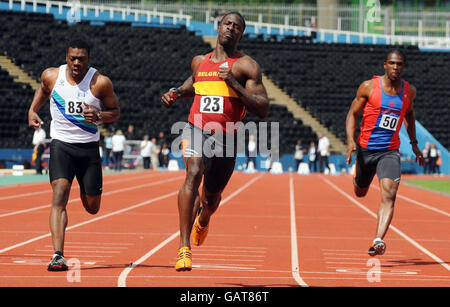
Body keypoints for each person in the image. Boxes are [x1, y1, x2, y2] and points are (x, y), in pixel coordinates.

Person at [161, 12, 269, 271]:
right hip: (196, 129)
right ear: (218, 27)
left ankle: (204, 218)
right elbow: (194, 84)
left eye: (237, 27)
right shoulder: (200, 61)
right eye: (227, 24)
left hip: (227, 137)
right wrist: (176, 92)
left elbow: (262, 108)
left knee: (211, 199)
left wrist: (234, 84)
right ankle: (183, 248)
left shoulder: (247, 66)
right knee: (193, 172)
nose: (231, 28)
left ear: (241, 34)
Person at [27, 39, 120, 271]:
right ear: (66, 57)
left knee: (92, 207)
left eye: (81, 59)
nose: (76, 63)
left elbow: (116, 111)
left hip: (88, 149)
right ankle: (58, 255)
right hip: (61, 146)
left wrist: (99, 116)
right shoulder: (51, 75)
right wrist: (32, 110)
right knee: (60, 193)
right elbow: (43, 89)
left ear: (89, 59)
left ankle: (83, 184)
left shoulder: (100, 83)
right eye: (72, 58)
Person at [345, 49, 424, 257]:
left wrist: (414, 143)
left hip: (389, 151)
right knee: (360, 192)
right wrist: (350, 141)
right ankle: (358, 176)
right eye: (392, 63)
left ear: (404, 66)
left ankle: (378, 239)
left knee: (389, 192)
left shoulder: (409, 91)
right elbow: (352, 113)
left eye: (399, 64)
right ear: (385, 65)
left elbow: (409, 113)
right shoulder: (369, 87)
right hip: (365, 149)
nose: (395, 67)